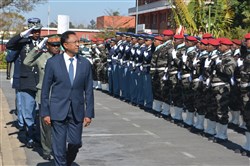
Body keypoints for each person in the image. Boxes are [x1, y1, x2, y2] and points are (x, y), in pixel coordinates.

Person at [41, 31, 94, 166]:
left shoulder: (85, 63)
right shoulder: (53, 63)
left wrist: (89, 113)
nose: (78, 45)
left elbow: (88, 90)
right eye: (75, 42)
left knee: (75, 142)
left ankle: (67, 162)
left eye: (78, 42)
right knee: (59, 144)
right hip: (58, 109)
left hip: (77, 110)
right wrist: (45, 112)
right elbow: (45, 89)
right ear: (65, 45)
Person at [23, 34, 61, 160]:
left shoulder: (63, 58)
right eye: (53, 45)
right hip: (44, 95)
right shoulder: (42, 57)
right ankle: (46, 149)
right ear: (47, 46)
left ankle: (58, 149)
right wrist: (37, 49)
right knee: (46, 125)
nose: (56, 47)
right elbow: (26, 62)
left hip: (60, 96)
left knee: (59, 125)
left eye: (58, 45)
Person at [6, 18, 42, 148]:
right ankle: (30, 136)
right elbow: (9, 45)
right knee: (28, 111)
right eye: (34, 30)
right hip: (26, 81)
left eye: (38, 30)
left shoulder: (44, 42)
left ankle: (39, 136)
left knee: (40, 111)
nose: (37, 33)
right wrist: (22, 35)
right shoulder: (22, 42)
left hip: (40, 80)